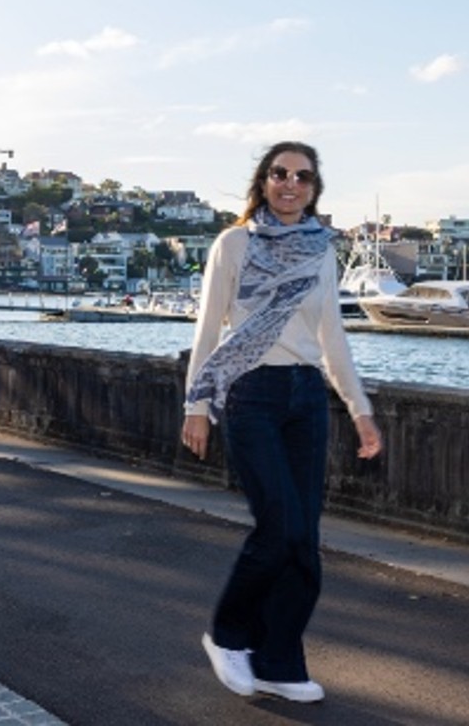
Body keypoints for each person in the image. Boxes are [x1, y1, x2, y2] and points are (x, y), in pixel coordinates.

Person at [182, 141, 382, 704]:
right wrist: (196, 406)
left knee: (305, 541)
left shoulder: (321, 249)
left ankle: (279, 660)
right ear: (263, 181)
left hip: (305, 396)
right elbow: (208, 328)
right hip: (251, 393)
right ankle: (227, 634)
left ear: (315, 188)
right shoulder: (235, 243)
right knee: (279, 530)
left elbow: (331, 337)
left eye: (302, 176)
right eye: (279, 173)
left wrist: (360, 410)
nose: (289, 183)